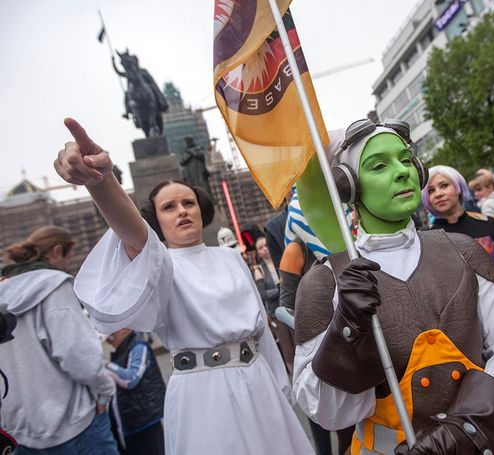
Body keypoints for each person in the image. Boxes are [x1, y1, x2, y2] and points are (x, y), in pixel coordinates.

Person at [53, 118, 315, 455]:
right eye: (168, 207)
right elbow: (133, 231)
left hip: (259, 383)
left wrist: (281, 385)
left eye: (188, 202)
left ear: (201, 209)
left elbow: (262, 331)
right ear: (156, 219)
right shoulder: (159, 263)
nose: (181, 211)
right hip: (202, 395)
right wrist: (102, 182)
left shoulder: (230, 257)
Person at [293, 119, 494, 454]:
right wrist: (347, 331)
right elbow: (327, 411)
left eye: (405, 159)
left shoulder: (463, 250)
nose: (401, 171)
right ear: (349, 187)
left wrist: (467, 432)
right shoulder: (325, 282)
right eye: (379, 165)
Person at [0, 226, 118, 454]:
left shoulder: (3, 291)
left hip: (18, 430)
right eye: (68, 258)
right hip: (74, 424)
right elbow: (79, 356)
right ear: (57, 252)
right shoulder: (56, 286)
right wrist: (105, 390)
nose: (68, 265)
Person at [423, 165, 494, 258]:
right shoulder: (426, 240)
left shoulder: (490, 224)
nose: (438, 194)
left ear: (458, 187)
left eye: (444, 186)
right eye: (431, 191)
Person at [106, 328, 165, 455]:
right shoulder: (120, 351)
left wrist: (105, 365)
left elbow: (131, 379)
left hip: (145, 423)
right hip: (129, 424)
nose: (108, 336)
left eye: (110, 330)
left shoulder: (139, 346)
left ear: (124, 329)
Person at [252, 237, 280, 317]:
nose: (264, 249)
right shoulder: (258, 270)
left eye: (266, 245)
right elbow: (263, 295)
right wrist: (280, 289)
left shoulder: (280, 261)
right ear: (258, 253)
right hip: (275, 313)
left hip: (290, 306)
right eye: (260, 248)